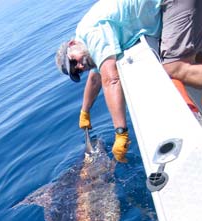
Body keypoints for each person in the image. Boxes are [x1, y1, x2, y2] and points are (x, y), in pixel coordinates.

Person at [55, 0, 202, 162]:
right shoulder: (87, 40)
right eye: (77, 71)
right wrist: (85, 111)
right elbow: (96, 78)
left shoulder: (91, 34)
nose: (80, 66)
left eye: (74, 61)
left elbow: (111, 79)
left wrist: (121, 132)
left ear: (72, 44)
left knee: (174, 68)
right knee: (195, 58)